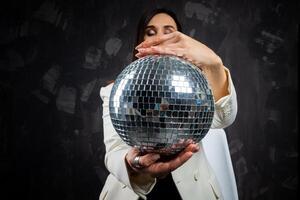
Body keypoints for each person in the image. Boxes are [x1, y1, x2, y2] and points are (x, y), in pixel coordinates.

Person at [99, 8, 237, 200]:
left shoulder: (195, 88)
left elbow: (223, 118)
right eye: (151, 32)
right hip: (132, 192)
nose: (161, 39)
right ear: (141, 42)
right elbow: (114, 151)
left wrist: (214, 64)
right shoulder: (116, 91)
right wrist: (135, 163)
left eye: (169, 32)